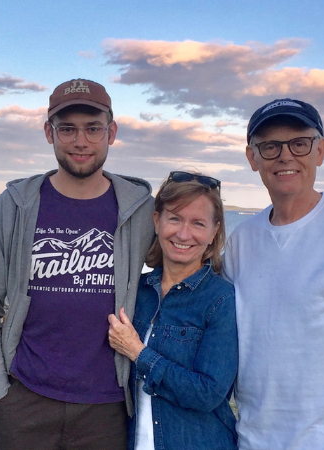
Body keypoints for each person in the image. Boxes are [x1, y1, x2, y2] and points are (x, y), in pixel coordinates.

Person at [0, 78, 155, 450]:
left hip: (108, 406)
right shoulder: (17, 204)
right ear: (49, 132)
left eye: (92, 128)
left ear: (111, 132)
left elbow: (182, 266)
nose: (80, 141)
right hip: (25, 400)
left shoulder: (139, 210)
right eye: (67, 128)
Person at [223, 98, 324, 449]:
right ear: (252, 158)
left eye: (299, 143)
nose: (285, 156)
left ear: (320, 150)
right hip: (252, 437)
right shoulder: (241, 239)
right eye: (270, 146)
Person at [108, 171, 238, 450]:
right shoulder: (135, 293)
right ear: (157, 220)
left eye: (198, 223)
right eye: (175, 218)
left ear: (214, 231)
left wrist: (138, 353)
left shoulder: (221, 300)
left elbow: (208, 393)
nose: (183, 233)